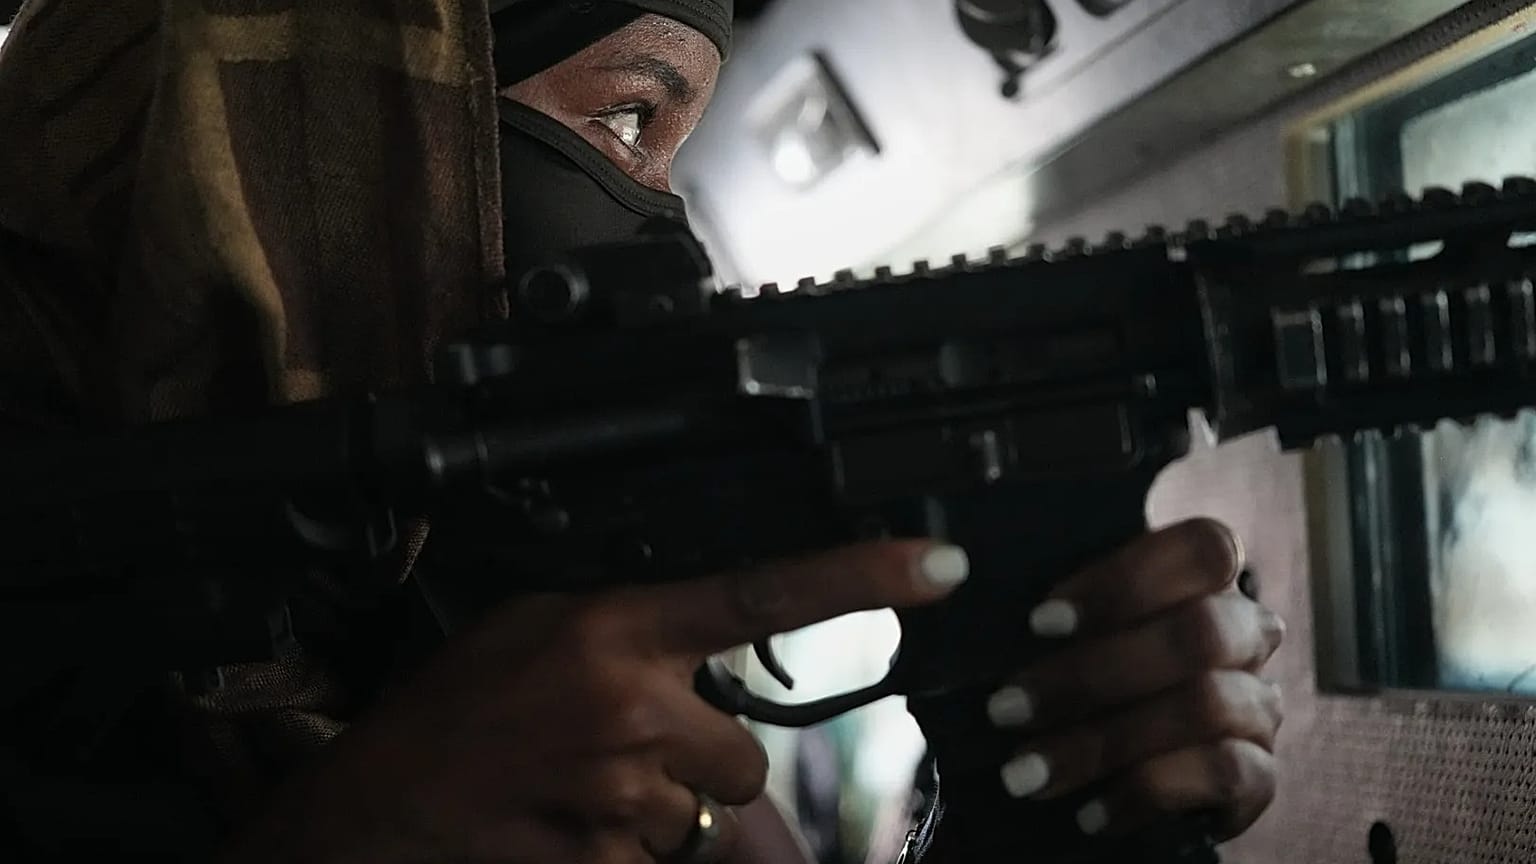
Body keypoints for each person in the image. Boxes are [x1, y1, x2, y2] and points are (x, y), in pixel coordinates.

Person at [0, 1, 1283, 862]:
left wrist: (1056, 787)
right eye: (624, 123)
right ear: (317, 143)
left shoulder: (545, 639)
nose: (678, 246)